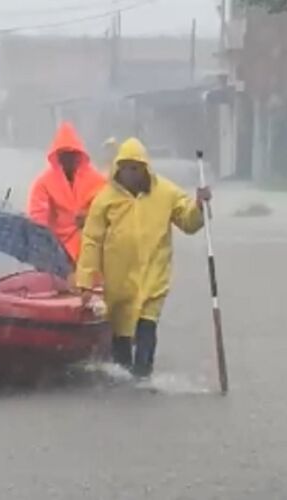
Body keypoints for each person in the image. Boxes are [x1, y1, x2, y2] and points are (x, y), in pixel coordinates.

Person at [76, 137, 212, 378]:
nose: (130, 174)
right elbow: (91, 240)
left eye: (135, 168)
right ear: (118, 168)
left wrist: (200, 206)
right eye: (125, 168)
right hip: (118, 284)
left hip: (154, 278)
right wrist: (86, 281)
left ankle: (143, 377)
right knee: (121, 338)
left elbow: (189, 222)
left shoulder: (166, 193)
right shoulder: (105, 199)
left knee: (147, 328)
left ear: (145, 168)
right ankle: (123, 380)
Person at [27, 122, 106, 264]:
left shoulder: (97, 180)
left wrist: (90, 218)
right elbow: (38, 217)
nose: (68, 159)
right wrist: (45, 246)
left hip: (94, 246)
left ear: (79, 154)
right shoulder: (44, 183)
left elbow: (110, 209)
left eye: (72, 154)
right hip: (58, 249)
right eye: (64, 155)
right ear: (57, 156)